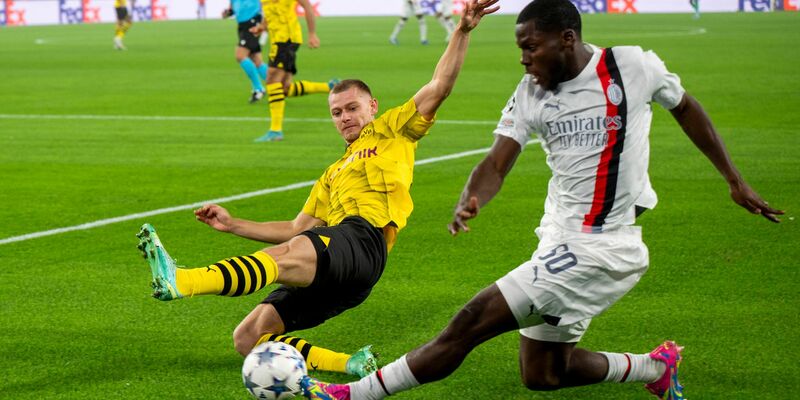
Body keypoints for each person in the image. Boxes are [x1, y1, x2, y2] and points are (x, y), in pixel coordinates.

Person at [302, 0, 784, 399]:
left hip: (604, 247)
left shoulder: (631, 66)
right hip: (557, 239)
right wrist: (474, 196)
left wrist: (734, 179)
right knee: (543, 373)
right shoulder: (531, 92)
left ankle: (352, 394)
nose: (524, 58)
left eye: (531, 47)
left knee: (471, 320)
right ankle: (652, 368)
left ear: (567, 39)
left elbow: (686, 107)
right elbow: (497, 160)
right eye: (520, 49)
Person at [136, 0, 498, 381]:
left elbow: (440, 85)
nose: (344, 118)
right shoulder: (331, 173)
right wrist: (234, 224)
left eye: (352, 108)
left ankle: (185, 281)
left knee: (288, 255)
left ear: (372, 106)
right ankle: (350, 364)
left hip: (364, 241)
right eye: (336, 112)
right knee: (249, 337)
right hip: (342, 264)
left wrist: (462, 31)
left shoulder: (393, 129)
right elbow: (297, 227)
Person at [253, 0, 337, 142]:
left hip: (287, 38)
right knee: (284, 89)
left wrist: (312, 33)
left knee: (272, 79)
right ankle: (330, 87)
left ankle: (275, 131)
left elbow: (307, 6)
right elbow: (270, 14)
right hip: (277, 41)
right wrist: (261, 27)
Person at [223, 0, 268, 104]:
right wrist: (227, 13)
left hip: (253, 23)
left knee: (240, 55)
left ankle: (259, 88)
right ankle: (278, 86)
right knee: (257, 61)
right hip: (243, 26)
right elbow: (233, 9)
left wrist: (263, 24)